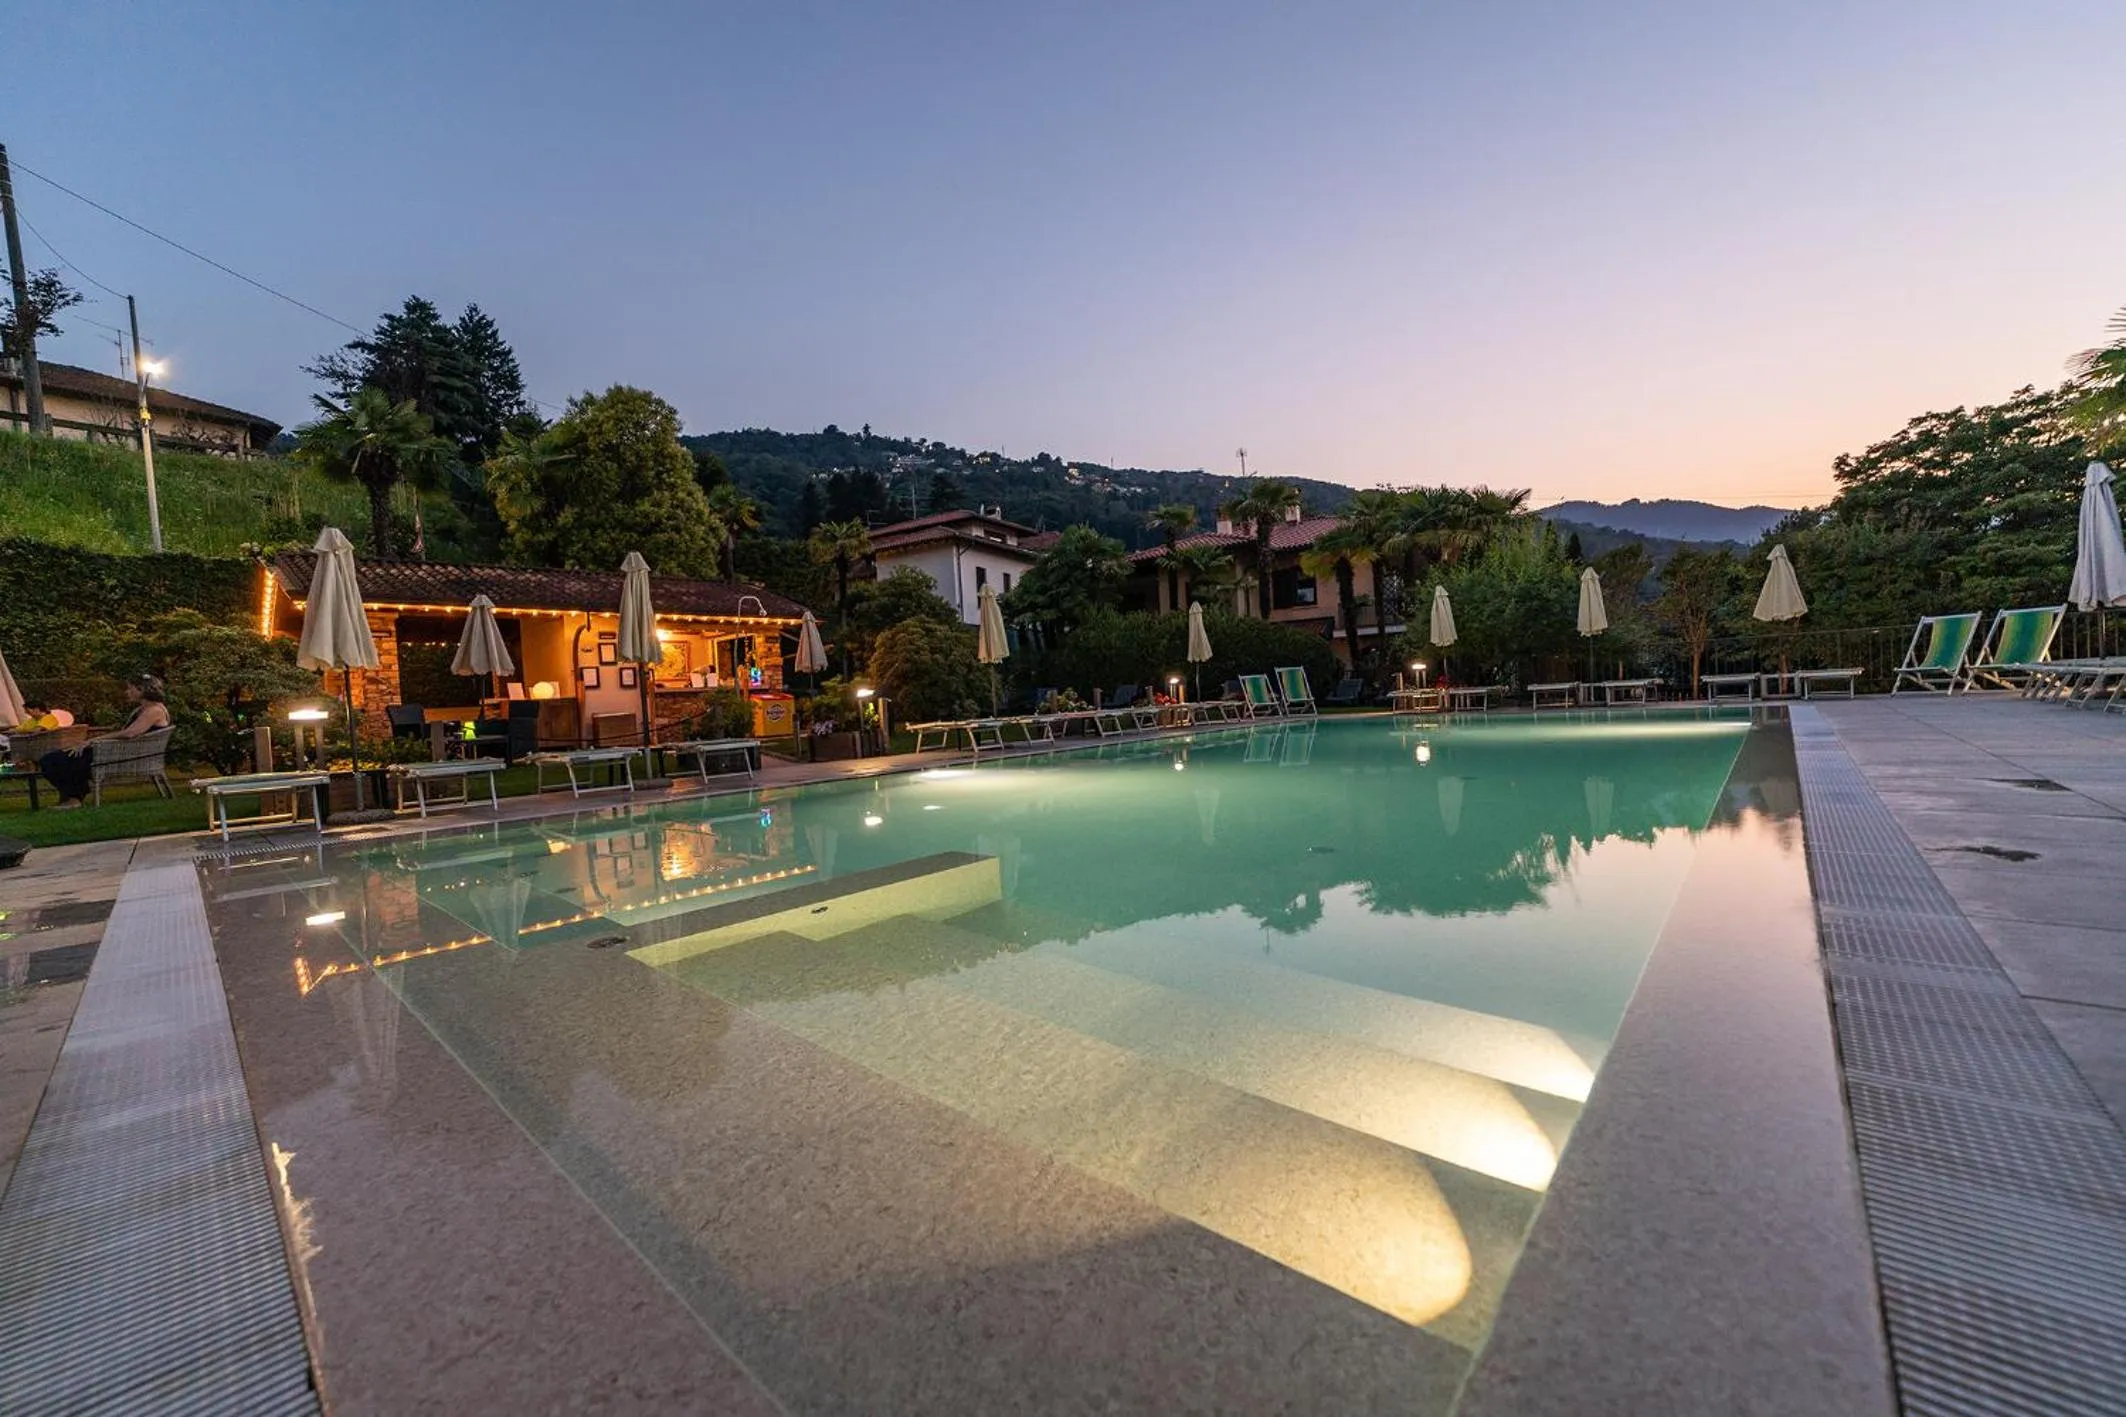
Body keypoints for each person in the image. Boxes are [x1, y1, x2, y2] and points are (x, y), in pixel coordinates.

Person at [39, 674, 173, 810]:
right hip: (117, 750)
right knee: (55, 758)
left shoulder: (154, 710)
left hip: (121, 755)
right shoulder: (144, 709)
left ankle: (74, 798)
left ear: (141, 690)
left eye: (130, 689)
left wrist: (92, 741)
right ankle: (72, 796)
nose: (127, 692)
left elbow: (130, 733)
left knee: (56, 760)